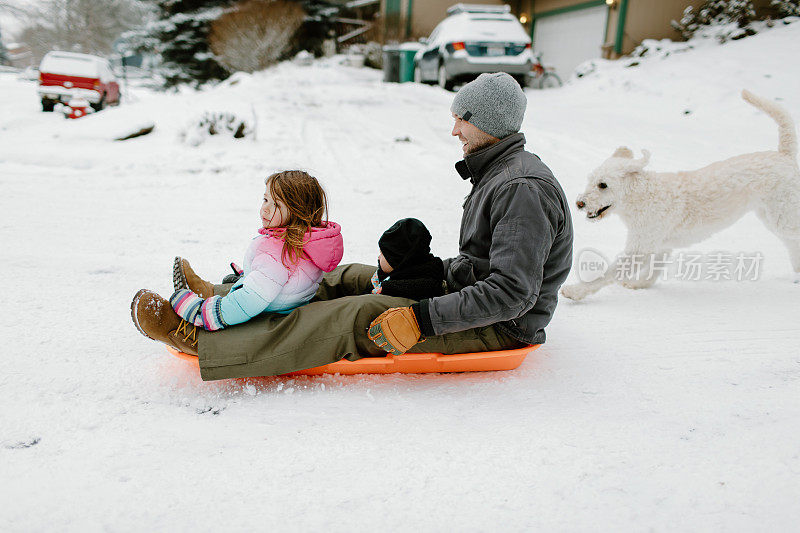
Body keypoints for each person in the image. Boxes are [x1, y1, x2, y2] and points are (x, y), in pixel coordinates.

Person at [131, 72, 574, 381]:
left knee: (358, 314)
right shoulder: (499, 172)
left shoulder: (521, 188)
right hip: (467, 297)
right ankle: (221, 297)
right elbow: (483, 264)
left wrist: (422, 317)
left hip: (500, 327)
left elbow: (514, 295)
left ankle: (201, 340)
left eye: (464, 118)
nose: (454, 128)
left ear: (490, 124)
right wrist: (429, 271)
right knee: (353, 277)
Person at [131, 170, 343, 340]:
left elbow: (249, 302)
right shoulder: (308, 239)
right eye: (265, 199)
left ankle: (188, 328)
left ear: (298, 212)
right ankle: (212, 289)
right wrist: (253, 274)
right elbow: (287, 275)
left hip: (267, 316)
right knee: (252, 284)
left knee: (236, 303)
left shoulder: (277, 253)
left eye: (276, 205)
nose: (265, 209)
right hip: (284, 303)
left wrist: (203, 313)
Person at [371, 218, 445, 301]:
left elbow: (427, 288)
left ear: (396, 260)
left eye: (382, 254)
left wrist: (388, 288)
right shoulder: (402, 270)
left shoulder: (422, 285)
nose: (378, 257)